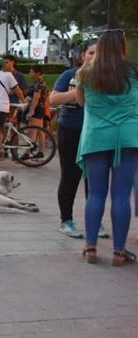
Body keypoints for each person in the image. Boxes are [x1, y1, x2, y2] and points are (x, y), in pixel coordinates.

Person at [74, 30, 138, 266]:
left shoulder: (86, 73)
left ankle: (90, 248)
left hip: (97, 137)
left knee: (97, 194)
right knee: (121, 195)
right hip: (128, 137)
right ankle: (119, 253)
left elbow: (81, 102)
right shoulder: (133, 72)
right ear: (122, 47)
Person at [50, 40, 107, 238]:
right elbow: (53, 99)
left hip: (96, 133)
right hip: (71, 130)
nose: (94, 57)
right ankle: (66, 220)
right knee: (70, 176)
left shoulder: (107, 78)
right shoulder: (69, 75)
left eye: (99, 54)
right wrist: (77, 92)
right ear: (83, 55)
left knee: (94, 178)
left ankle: (95, 221)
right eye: (91, 53)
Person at [25, 64, 48, 157]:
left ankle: (28, 152)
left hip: (37, 108)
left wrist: (31, 111)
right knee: (40, 131)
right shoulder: (40, 82)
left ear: (38, 73)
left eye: (31, 72)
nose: (29, 74)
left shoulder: (39, 83)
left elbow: (36, 98)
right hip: (40, 108)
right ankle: (41, 151)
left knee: (33, 131)